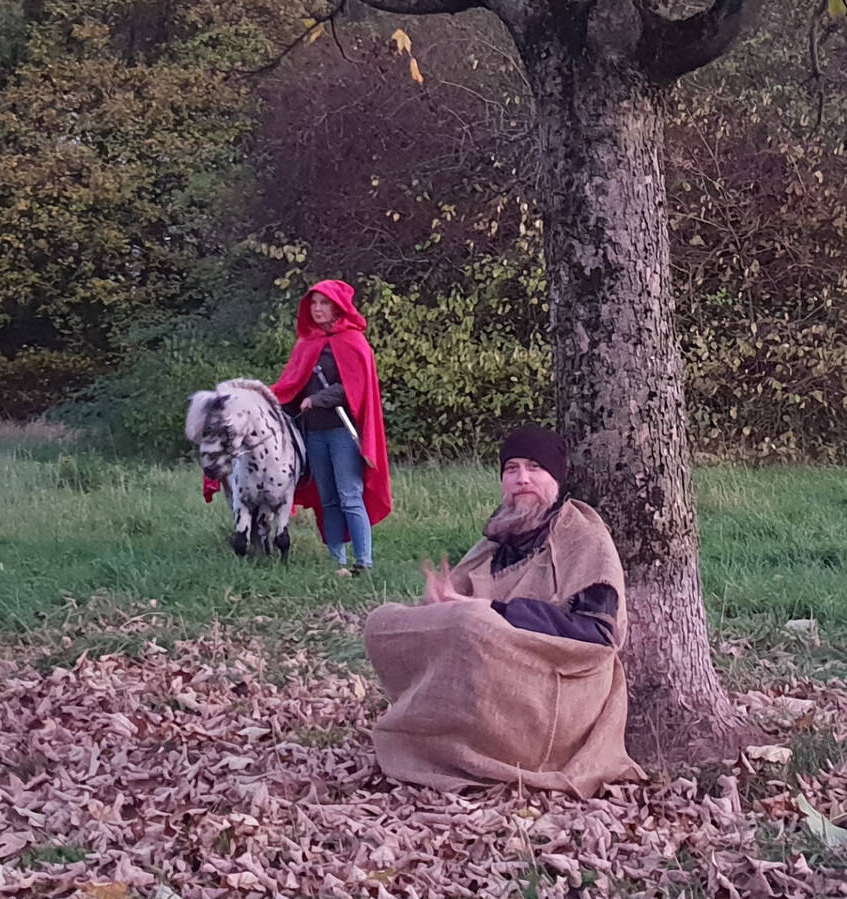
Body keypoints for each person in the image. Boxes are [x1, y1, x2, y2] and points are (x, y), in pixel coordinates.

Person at [363, 427, 644, 797]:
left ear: (556, 478)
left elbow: (599, 633)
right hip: (498, 692)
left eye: (534, 467)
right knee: (382, 621)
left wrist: (495, 611)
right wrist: (437, 607)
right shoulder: (495, 540)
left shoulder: (584, 536)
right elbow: (455, 610)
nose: (522, 478)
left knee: (472, 622)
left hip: (560, 697)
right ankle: (439, 738)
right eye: (512, 469)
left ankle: (480, 748)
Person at [270, 280, 392, 574]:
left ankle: (364, 562)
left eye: (324, 303)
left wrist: (317, 399)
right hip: (313, 433)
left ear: (338, 307)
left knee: (350, 495)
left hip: (342, 432)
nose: (317, 309)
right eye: (313, 303)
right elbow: (292, 385)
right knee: (327, 499)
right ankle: (337, 561)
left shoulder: (354, 341)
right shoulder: (306, 343)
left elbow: (355, 387)